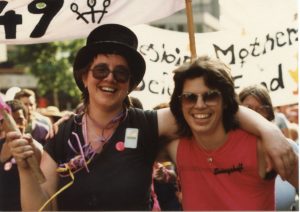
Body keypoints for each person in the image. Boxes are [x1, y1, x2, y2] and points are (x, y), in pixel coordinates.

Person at [6, 24, 297, 211]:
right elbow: (40, 208)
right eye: (100, 70)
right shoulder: (61, 134)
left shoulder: (146, 123)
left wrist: (269, 131)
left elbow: (209, 106)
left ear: (131, 83)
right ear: (85, 76)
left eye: (121, 73)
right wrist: (24, 169)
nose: (110, 78)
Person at [166, 56, 298, 210]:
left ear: (226, 101)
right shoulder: (175, 148)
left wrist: (270, 131)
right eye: (189, 98)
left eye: (211, 96)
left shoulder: (264, 148)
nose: (199, 105)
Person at [238, 84, 299, 210]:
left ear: (269, 113)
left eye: (261, 109)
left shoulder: (288, 147)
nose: (254, 114)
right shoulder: (228, 151)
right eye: (248, 108)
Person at [0, 100, 41, 210]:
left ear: (26, 121)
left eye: (19, 119)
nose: (15, 125)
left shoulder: (35, 148)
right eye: (10, 120)